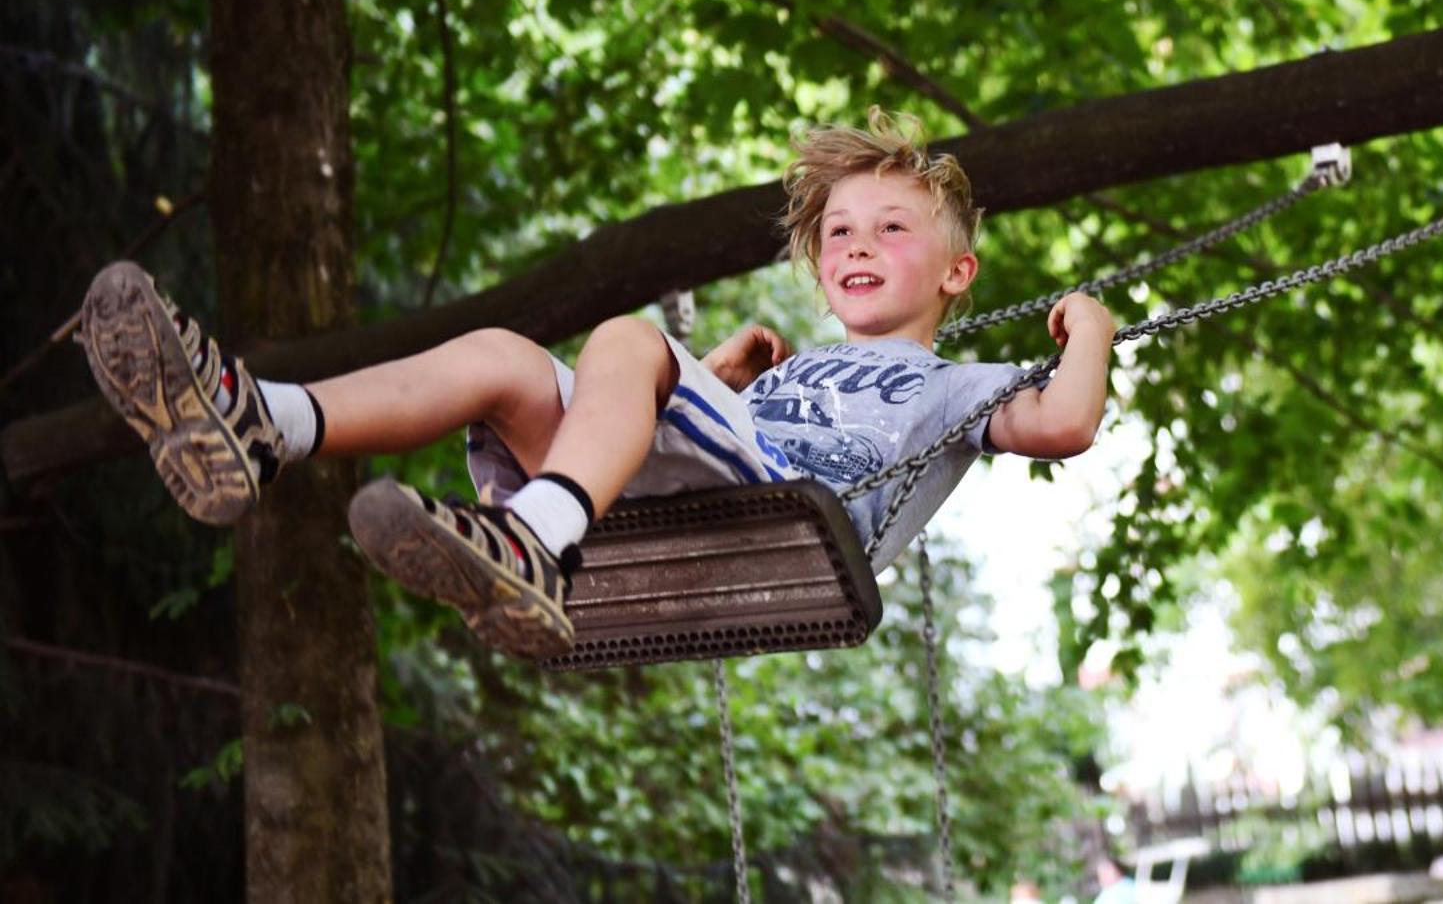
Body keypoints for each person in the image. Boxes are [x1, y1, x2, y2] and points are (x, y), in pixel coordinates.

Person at [78, 107, 1114, 659]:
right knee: (502, 358)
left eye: (893, 229)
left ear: (956, 271)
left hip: (786, 516)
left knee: (623, 336)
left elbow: (1064, 424)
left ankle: (530, 540)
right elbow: (645, 424)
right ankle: (267, 427)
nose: (857, 244)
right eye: (837, 230)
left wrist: (1093, 332)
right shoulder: (794, 368)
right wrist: (713, 377)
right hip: (685, 492)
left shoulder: (959, 384)